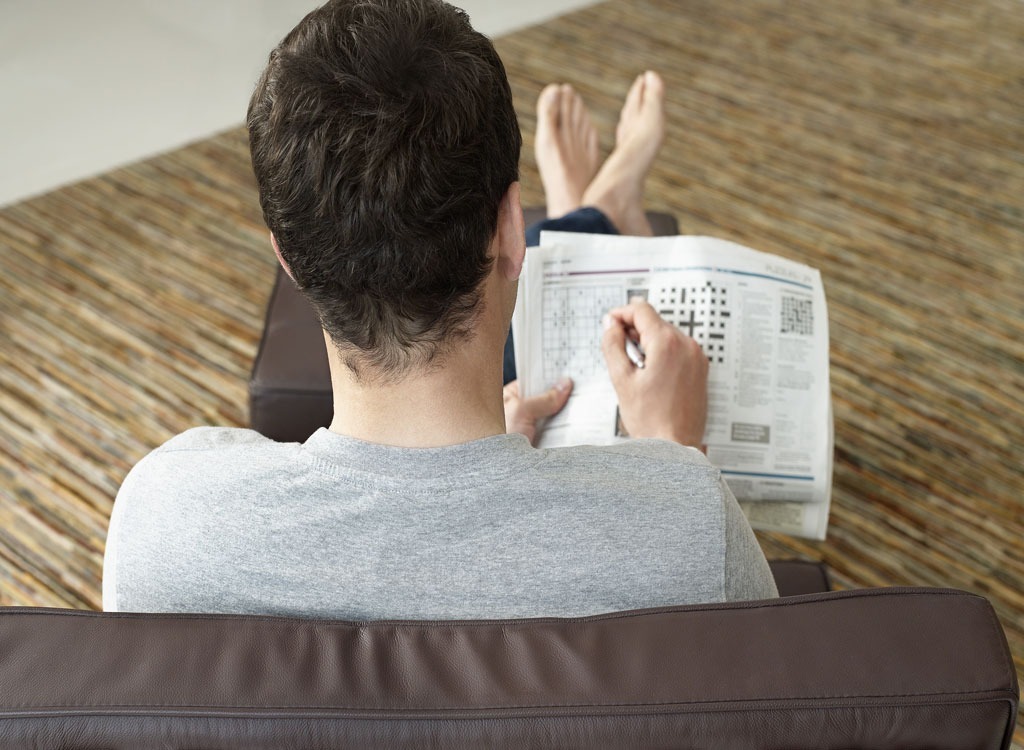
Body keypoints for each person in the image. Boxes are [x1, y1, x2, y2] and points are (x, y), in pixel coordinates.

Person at [102, 0, 777, 618]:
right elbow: (728, 683)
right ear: (514, 229)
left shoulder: (161, 517)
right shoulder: (692, 522)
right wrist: (673, 454)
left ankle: (591, 211)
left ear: (289, 260)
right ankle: (590, 213)